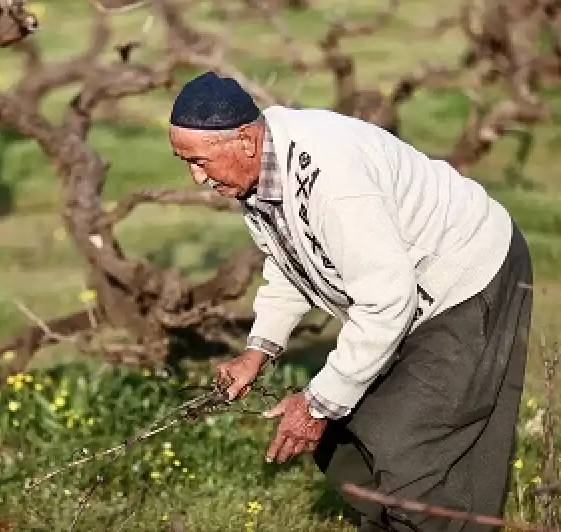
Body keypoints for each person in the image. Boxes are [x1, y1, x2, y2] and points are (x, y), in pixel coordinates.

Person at [167, 71, 534, 532]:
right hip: (400, 292)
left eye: (199, 161)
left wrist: (317, 405)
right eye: (184, 161)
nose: (196, 177)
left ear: (243, 140)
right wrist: (258, 351)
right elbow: (287, 262)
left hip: (465, 276)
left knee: (412, 451)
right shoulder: (258, 175)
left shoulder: (332, 180)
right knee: (346, 437)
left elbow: (386, 301)